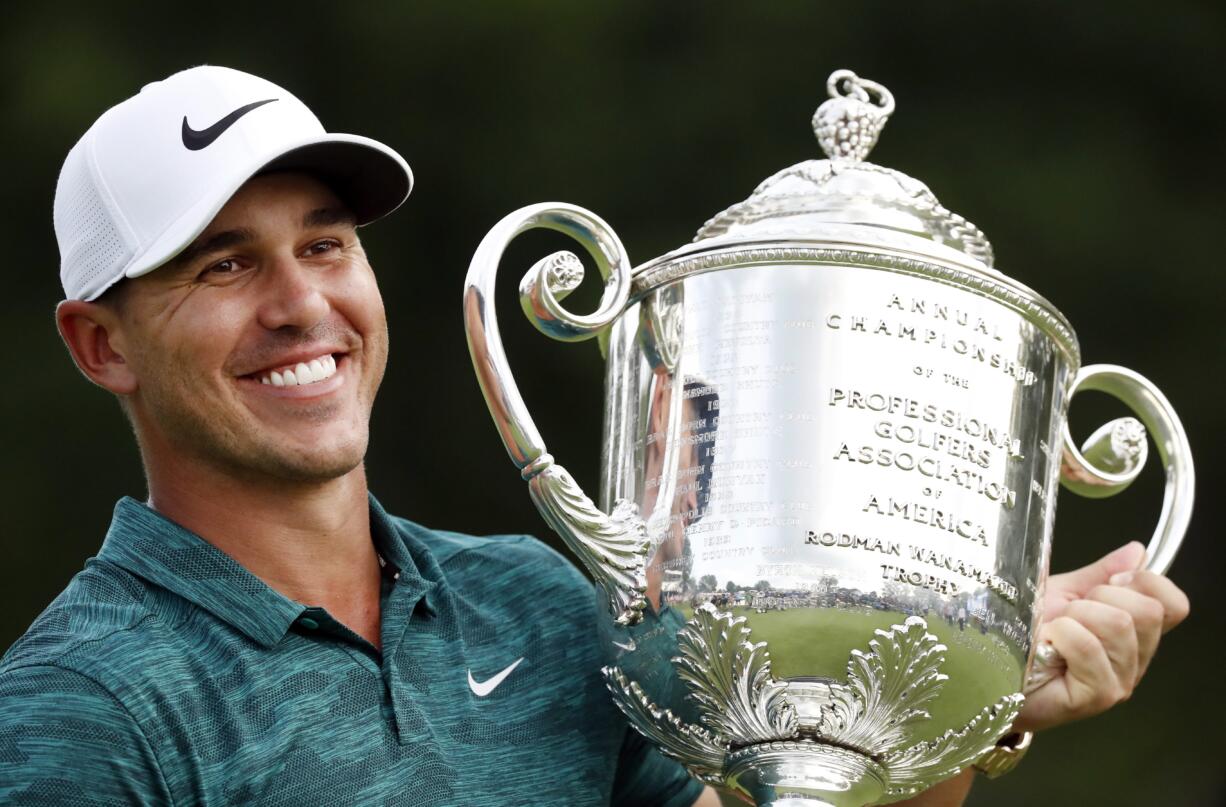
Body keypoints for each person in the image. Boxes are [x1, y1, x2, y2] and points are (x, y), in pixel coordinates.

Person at [0, 65, 1189, 807]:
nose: (301, 305)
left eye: (323, 244)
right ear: (101, 345)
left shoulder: (535, 605)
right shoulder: (79, 703)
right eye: (223, 264)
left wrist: (957, 695)